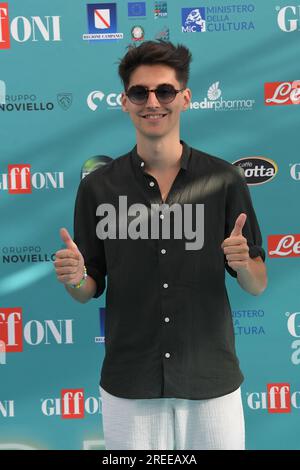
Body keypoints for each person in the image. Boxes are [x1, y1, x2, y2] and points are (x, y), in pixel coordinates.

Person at [54, 40, 267, 450]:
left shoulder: (224, 180)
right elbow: (88, 288)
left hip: (211, 382)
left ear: (185, 98)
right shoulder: (99, 188)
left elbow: (256, 283)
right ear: (125, 102)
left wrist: (244, 264)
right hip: (130, 384)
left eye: (164, 91)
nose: (153, 101)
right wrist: (75, 277)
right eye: (140, 92)